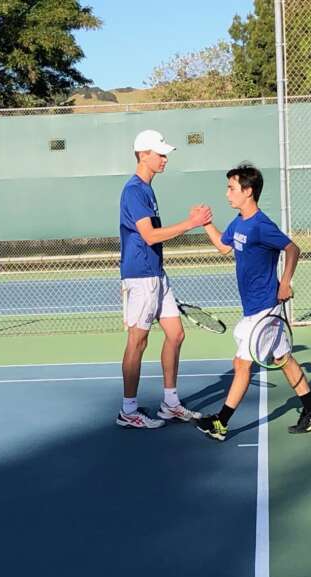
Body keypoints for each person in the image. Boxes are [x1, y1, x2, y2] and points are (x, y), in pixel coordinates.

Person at [194, 164, 311, 441]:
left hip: (266, 308)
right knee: (283, 358)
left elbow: (292, 248)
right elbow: (223, 245)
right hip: (253, 307)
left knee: (242, 364)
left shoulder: (261, 225)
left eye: (232, 188)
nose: (227, 193)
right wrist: (205, 223)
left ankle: (221, 423)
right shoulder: (240, 222)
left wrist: (285, 281)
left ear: (248, 191)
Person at [116, 129, 212, 429]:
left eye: (165, 154)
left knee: (176, 334)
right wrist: (192, 223)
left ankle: (170, 404)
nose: (164, 159)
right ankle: (128, 410)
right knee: (138, 341)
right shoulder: (134, 191)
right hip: (142, 277)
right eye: (160, 154)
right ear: (143, 155)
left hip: (157, 273)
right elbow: (150, 235)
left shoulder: (147, 189)